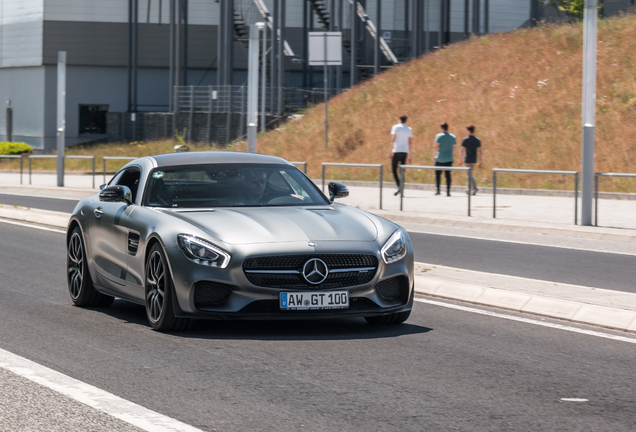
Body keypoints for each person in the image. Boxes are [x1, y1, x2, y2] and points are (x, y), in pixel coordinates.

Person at [387, 115, 413, 196]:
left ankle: (399, 185)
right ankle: (401, 188)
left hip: (397, 151)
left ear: (399, 120)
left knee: (394, 169)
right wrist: (410, 155)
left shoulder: (395, 127)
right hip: (405, 152)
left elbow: (393, 140)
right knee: (402, 171)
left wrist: (389, 151)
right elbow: (410, 143)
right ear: (405, 121)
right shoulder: (409, 129)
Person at [433, 122, 456, 196]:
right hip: (449, 158)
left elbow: (436, 147)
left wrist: (434, 156)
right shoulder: (452, 136)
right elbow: (454, 147)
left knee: (438, 174)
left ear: (442, 128)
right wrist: (452, 154)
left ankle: (438, 189)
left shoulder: (439, 136)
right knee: (448, 175)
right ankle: (448, 191)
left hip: (440, 158)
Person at [459, 125, 482, 195]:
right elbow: (480, 151)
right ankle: (469, 189)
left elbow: (462, 150)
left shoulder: (465, 139)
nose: (466, 132)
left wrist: (460, 159)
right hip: (474, 160)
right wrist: (480, 161)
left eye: (466, 130)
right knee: (470, 174)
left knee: (469, 175)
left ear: (469, 131)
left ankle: (474, 187)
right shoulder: (477, 140)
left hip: (467, 159)